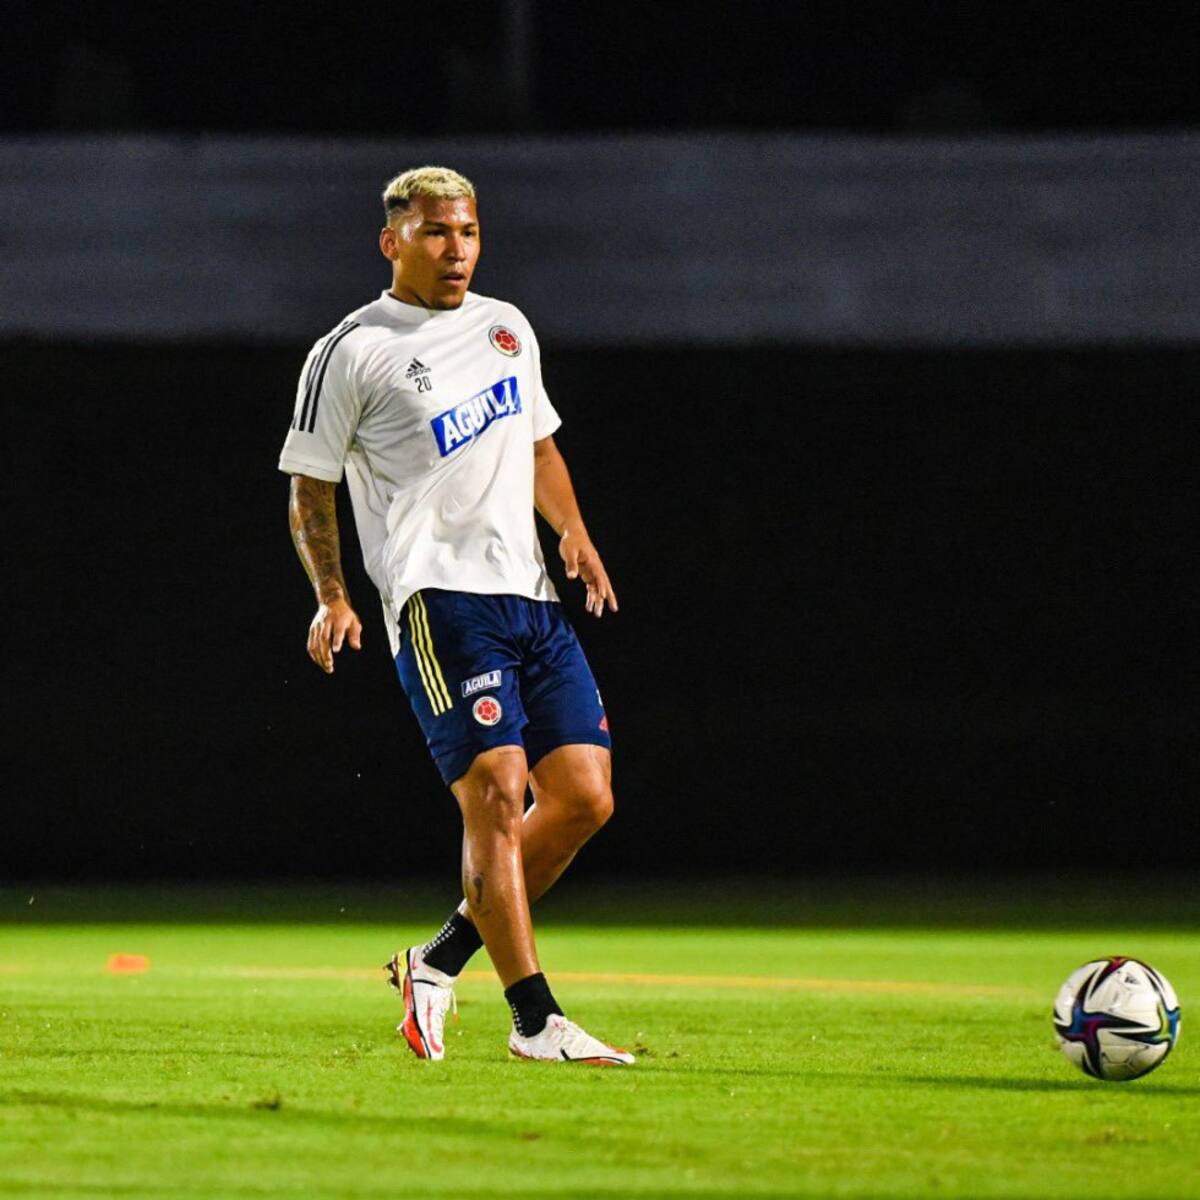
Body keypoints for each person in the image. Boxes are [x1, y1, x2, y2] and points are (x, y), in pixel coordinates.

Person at [278, 166, 633, 1066]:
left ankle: (435, 963)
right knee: (498, 794)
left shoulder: (507, 327)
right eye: (437, 232)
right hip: (439, 597)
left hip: (529, 596)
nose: (457, 249)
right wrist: (332, 594)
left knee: (587, 797)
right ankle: (535, 1021)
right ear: (392, 241)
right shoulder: (351, 349)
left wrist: (576, 531)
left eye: (469, 231)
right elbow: (308, 489)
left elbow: (539, 443)